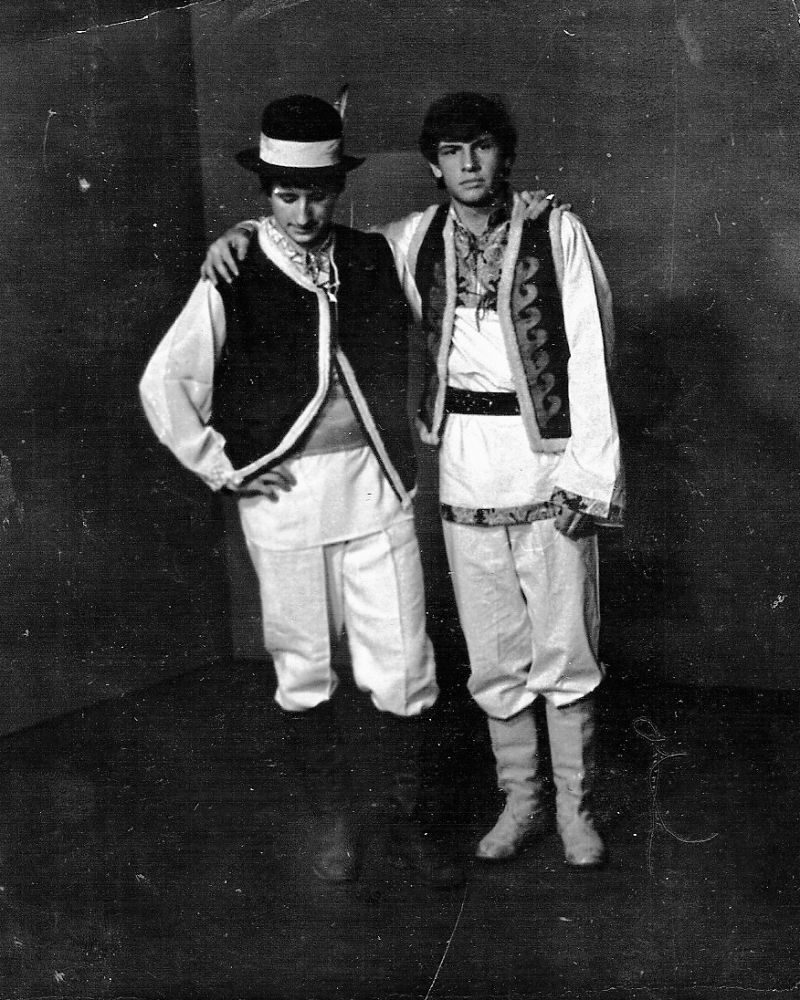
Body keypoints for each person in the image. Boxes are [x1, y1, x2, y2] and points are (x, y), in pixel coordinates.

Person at [202, 91, 624, 868]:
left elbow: (592, 351)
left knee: (564, 638)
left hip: (548, 455)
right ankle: (521, 800)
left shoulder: (555, 230)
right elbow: (321, 252)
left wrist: (587, 475)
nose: (469, 165)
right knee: (493, 645)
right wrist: (246, 238)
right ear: (433, 165)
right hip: (463, 460)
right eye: (452, 152)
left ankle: (576, 808)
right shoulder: (411, 240)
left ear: (505, 154)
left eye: (482, 147)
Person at [139, 94, 463, 889]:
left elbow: (450, 237)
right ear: (266, 193)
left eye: (318, 193)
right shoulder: (236, 268)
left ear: (338, 189)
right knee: (305, 667)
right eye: (287, 195)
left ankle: (403, 823)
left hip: (376, 488)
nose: (305, 212)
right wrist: (225, 466)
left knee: (404, 665)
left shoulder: (373, 254)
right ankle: (334, 823)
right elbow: (166, 381)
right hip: (284, 500)